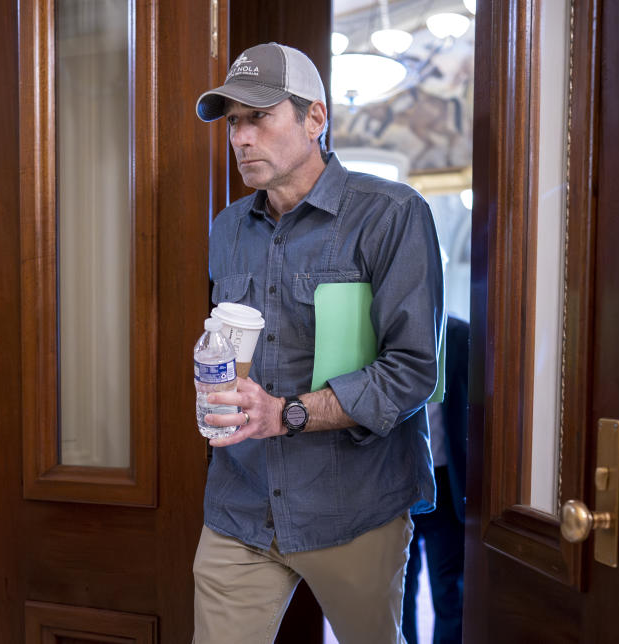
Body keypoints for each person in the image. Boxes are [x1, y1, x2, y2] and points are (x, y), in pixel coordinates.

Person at [192, 42, 444, 644]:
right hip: (241, 507)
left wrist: (286, 413)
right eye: (234, 122)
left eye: (260, 116)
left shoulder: (392, 215)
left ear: (315, 118)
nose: (241, 138)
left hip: (353, 507)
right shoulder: (227, 228)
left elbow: (412, 371)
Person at [402, 316, 469, 644]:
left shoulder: (461, 334)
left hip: (447, 483)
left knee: (449, 592)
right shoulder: (386, 334)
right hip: (399, 483)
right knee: (399, 591)